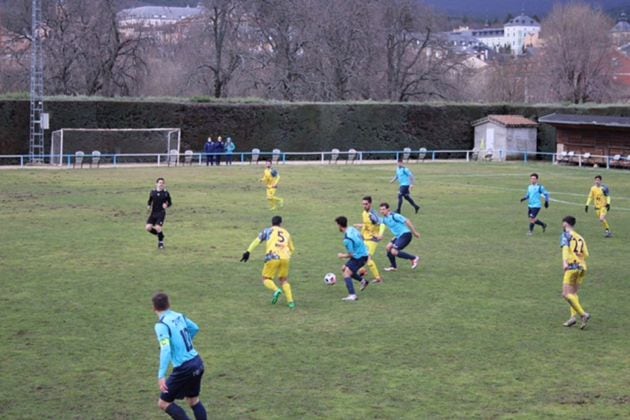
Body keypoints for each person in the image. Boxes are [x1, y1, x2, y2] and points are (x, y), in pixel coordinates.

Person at [152, 292, 207, 420]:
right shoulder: (179, 316)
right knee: (193, 401)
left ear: (154, 308)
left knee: (164, 403)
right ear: (169, 304)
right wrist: (183, 344)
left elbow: (165, 350)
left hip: (184, 368)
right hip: (197, 363)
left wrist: (161, 375)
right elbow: (195, 328)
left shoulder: (161, 325)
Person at [240, 215, 296, 309]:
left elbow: (257, 241)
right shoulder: (286, 233)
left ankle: (276, 290)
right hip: (285, 258)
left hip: (272, 256)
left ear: (272, 223)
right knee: (284, 280)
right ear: (281, 223)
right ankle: (291, 303)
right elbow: (292, 249)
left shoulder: (268, 230)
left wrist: (248, 251)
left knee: (266, 278)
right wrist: (286, 255)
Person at [559, 216, 591, 329]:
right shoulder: (580, 237)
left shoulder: (566, 235)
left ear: (565, 224)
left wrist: (564, 262)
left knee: (566, 294)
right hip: (582, 267)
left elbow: (565, 249)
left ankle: (583, 314)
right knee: (573, 293)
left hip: (572, 266)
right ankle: (573, 318)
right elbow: (586, 254)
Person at [377, 202, 421, 272]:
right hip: (398, 236)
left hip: (406, 234)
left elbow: (407, 221)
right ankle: (394, 266)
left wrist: (414, 232)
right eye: (380, 210)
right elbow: (380, 226)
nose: (382, 211)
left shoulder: (395, 216)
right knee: (388, 247)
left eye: (383, 209)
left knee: (394, 251)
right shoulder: (384, 219)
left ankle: (414, 258)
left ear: (388, 209)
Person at [335, 216, 370, 301]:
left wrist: (341, 255)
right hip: (364, 253)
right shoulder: (352, 228)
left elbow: (351, 255)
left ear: (339, 225)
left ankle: (352, 295)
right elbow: (362, 236)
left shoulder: (347, 239)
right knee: (344, 268)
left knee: (346, 273)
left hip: (359, 257)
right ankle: (363, 281)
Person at [353, 196, 384, 284]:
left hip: (373, 239)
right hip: (365, 238)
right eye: (363, 204)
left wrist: (380, 234)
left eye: (366, 204)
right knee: (359, 255)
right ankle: (363, 271)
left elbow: (382, 224)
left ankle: (378, 279)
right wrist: (361, 227)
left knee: (368, 259)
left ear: (370, 204)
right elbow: (367, 225)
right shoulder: (364, 213)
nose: (364, 206)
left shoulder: (373, 215)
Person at [146, 177, 172, 249]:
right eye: (159, 183)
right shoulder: (152, 192)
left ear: (164, 184)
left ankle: (161, 243)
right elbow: (150, 200)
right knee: (148, 228)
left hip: (161, 213)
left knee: (157, 227)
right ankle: (160, 235)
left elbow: (170, 203)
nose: (161, 184)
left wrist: (166, 205)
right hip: (153, 213)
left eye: (162, 183)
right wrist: (148, 206)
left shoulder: (166, 193)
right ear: (156, 184)